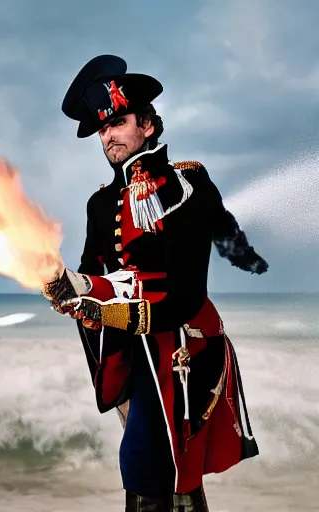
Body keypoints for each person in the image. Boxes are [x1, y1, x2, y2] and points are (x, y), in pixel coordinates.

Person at [42, 55, 264, 511]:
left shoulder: (187, 183)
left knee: (153, 458)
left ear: (146, 125)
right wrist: (71, 289)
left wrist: (246, 259)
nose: (108, 135)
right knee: (161, 465)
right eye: (102, 129)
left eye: (117, 122)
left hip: (181, 344)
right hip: (130, 348)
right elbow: (97, 275)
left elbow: (186, 293)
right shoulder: (100, 204)